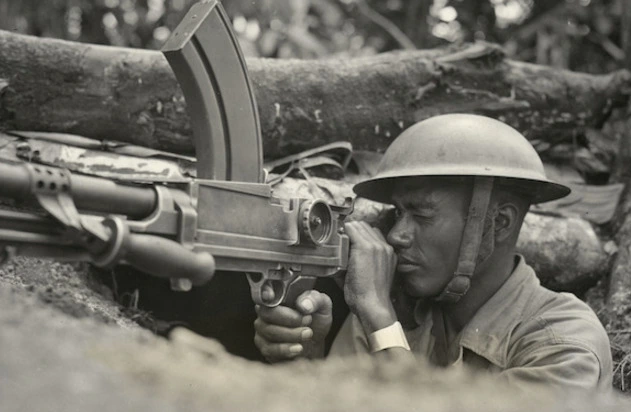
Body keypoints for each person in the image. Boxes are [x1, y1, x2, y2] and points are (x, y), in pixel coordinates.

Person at [253, 114, 612, 392]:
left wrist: (380, 319)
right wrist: (306, 359)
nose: (397, 234)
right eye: (398, 213)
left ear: (499, 223)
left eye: (422, 215)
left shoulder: (562, 341)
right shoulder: (395, 311)